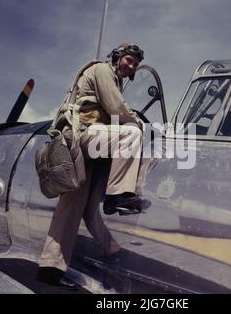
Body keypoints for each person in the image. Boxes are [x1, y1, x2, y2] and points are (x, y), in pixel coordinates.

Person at [36, 43, 146, 290]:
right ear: (118, 57)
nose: (131, 66)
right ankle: (117, 196)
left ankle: (50, 269)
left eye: (135, 65)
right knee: (131, 133)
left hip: (89, 146)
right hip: (82, 137)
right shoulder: (102, 70)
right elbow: (116, 107)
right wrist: (139, 123)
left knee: (73, 206)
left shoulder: (114, 79)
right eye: (129, 60)